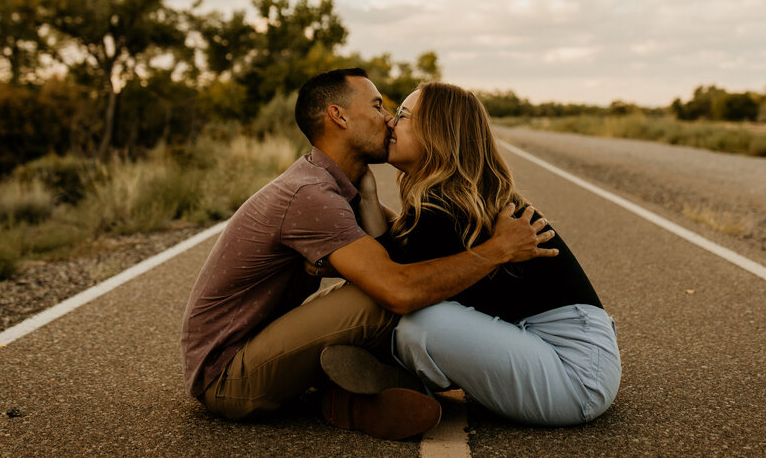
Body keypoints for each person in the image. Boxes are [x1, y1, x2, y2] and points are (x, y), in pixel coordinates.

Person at [180, 68, 556, 440]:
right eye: (377, 106)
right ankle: (406, 380)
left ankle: (344, 399)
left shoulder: (334, 186)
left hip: (262, 345)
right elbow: (400, 288)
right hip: (227, 375)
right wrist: (496, 251)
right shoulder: (311, 195)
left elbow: (405, 244)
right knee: (382, 296)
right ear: (338, 116)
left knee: (399, 281)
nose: (389, 118)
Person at [385, 81, 622, 426]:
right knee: (413, 319)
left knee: (419, 324)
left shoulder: (458, 208)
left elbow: (399, 282)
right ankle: (387, 381)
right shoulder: (456, 199)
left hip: (576, 374)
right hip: (548, 351)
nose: (391, 123)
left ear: (437, 133)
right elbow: (392, 256)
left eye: (402, 115)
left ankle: (388, 381)